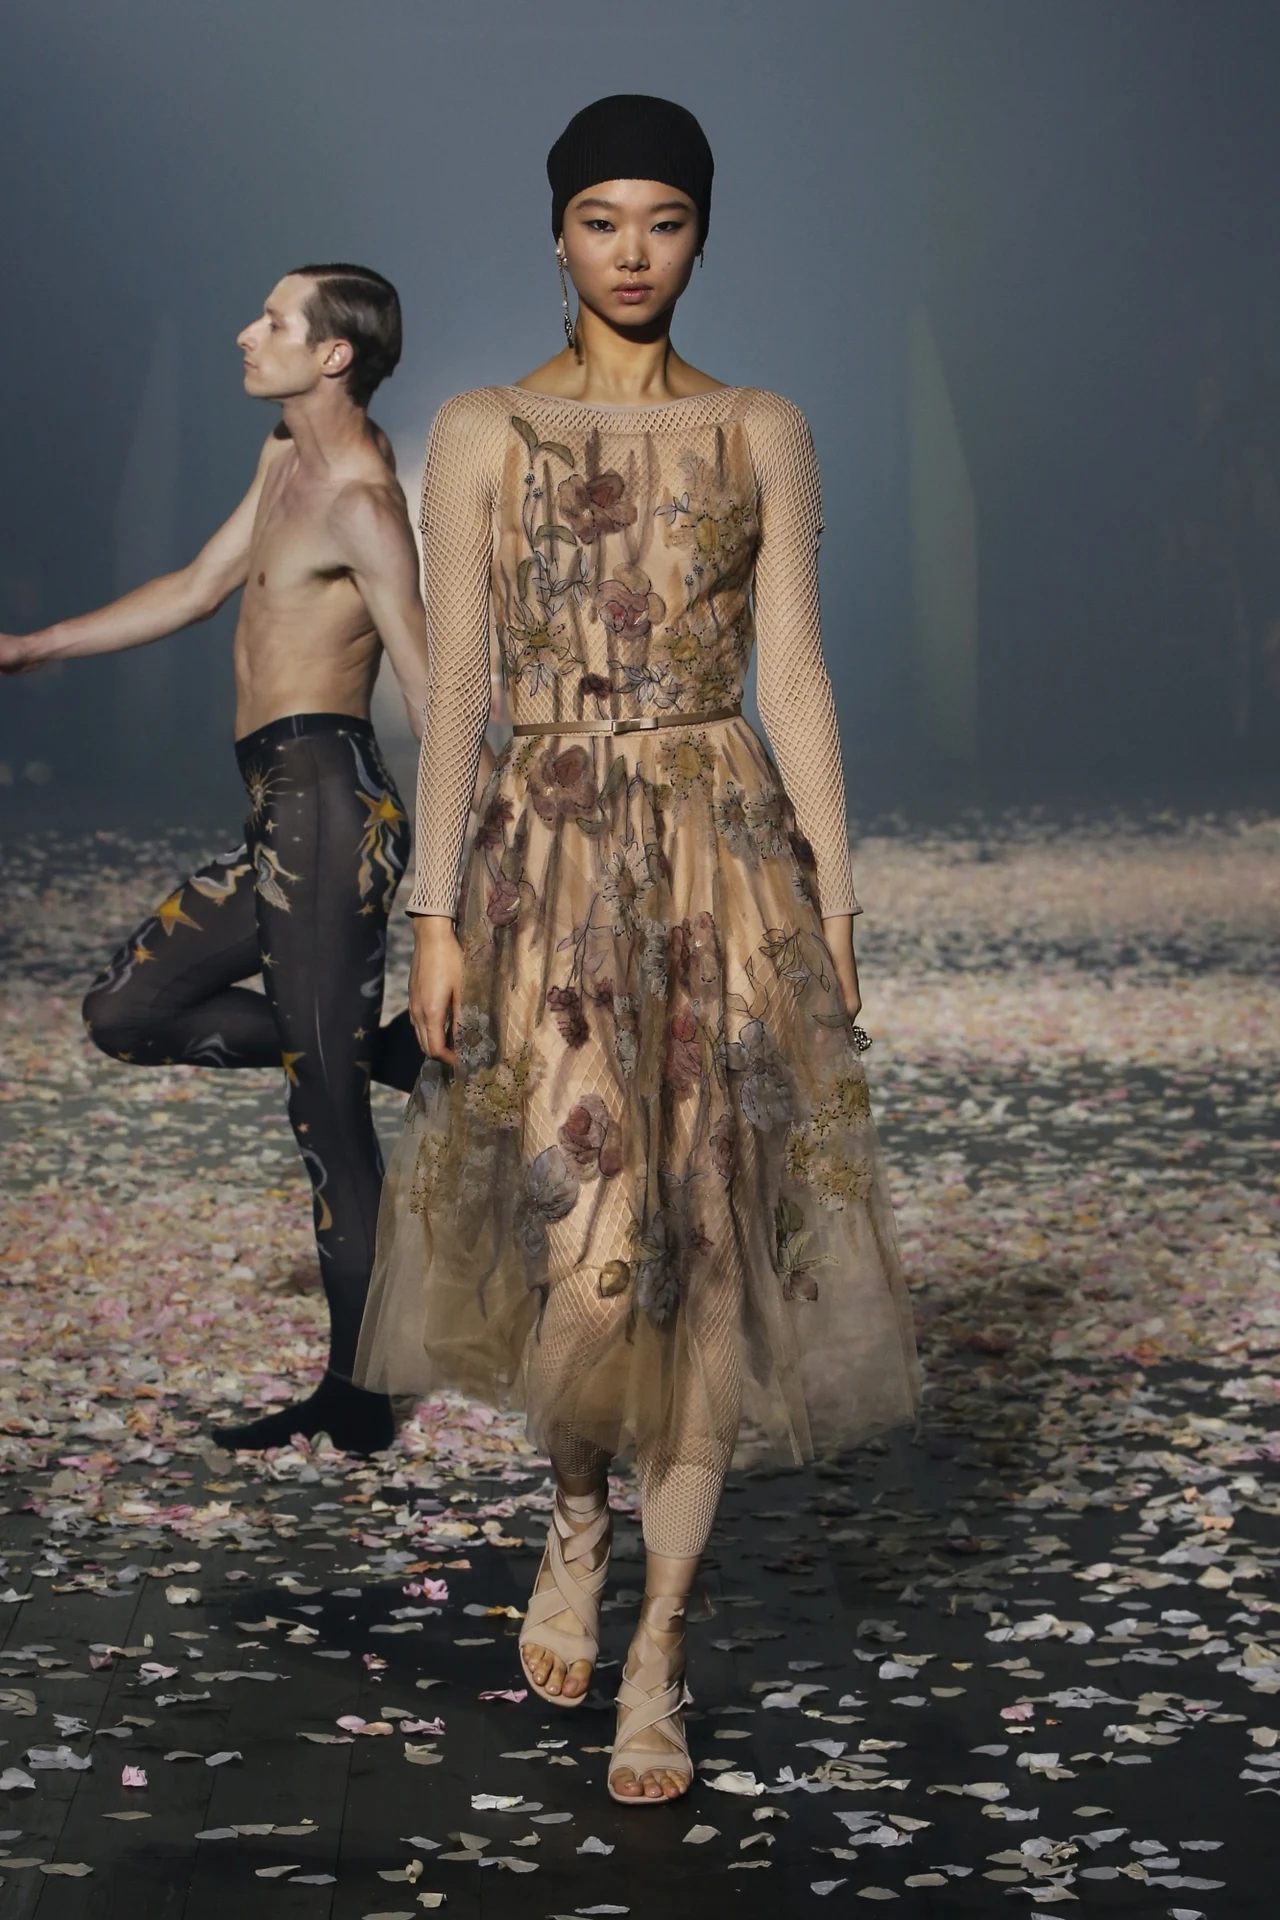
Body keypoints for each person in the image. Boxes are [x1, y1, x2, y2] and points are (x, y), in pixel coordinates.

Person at [355, 97, 921, 1802]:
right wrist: (434, 912)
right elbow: (457, 683)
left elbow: (794, 674)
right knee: (586, 1250)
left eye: (662, 219)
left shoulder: (760, 428)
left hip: (722, 864)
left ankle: (661, 1642)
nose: (630, 250)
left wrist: (833, 909)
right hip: (541, 863)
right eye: (600, 218)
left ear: (701, 236)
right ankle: (575, 1516)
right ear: (556, 233)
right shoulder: (481, 430)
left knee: (712, 1259)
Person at [0, 264, 434, 1457]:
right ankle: (393, 1054)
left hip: (332, 811)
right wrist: (35, 647)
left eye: (274, 321)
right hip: (277, 810)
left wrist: (465, 871)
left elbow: (429, 686)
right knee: (125, 1011)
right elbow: (197, 589)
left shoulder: (362, 500)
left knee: (325, 1115)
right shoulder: (280, 457)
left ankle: (357, 1393)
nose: (248, 333)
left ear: (332, 353)